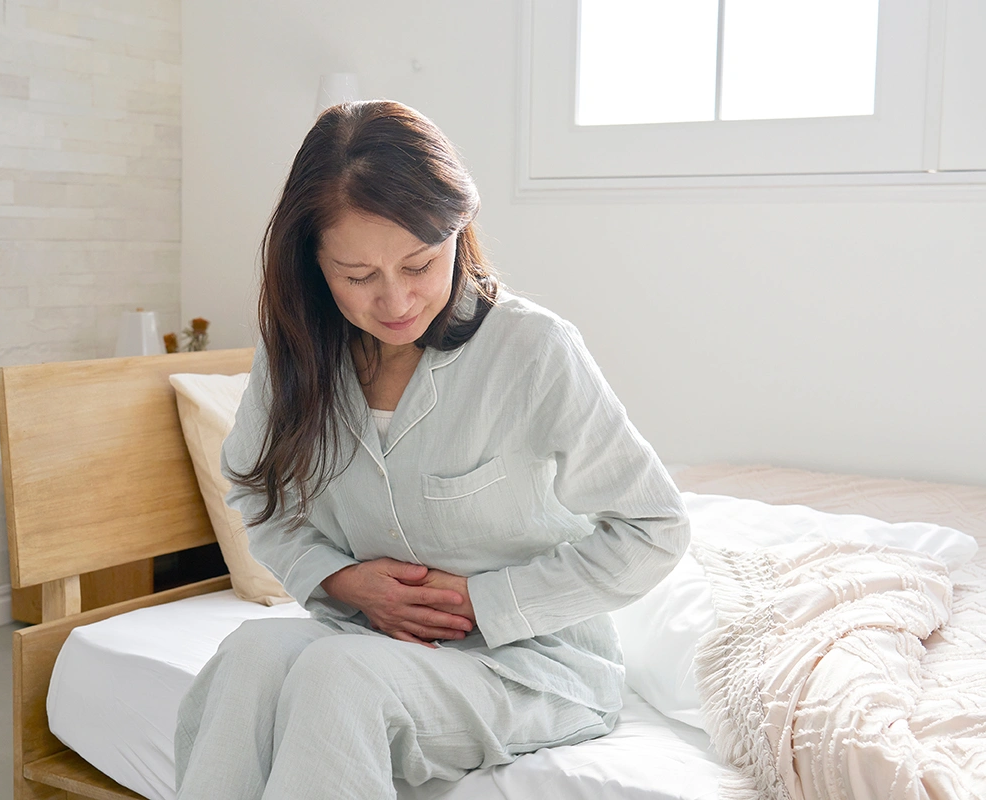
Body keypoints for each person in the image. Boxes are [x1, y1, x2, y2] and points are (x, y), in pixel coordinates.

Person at [174, 100, 690, 800]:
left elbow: (655, 526)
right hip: (368, 635)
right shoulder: (296, 352)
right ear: (313, 264)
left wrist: (485, 600)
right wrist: (340, 580)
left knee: (337, 677)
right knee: (250, 654)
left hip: (528, 664)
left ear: (456, 231)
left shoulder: (532, 349)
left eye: (419, 264)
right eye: (358, 276)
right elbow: (257, 496)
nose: (395, 302)